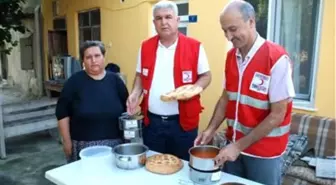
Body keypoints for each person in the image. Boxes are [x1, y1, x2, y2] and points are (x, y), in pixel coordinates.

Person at [194, 1, 295, 185]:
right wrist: (210, 129)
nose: (228, 36)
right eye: (224, 31)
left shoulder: (277, 58)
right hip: (233, 148)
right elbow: (226, 99)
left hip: (264, 155)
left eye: (233, 29)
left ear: (251, 22)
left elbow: (278, 115)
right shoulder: (231, 56)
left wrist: (238, 146)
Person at [126, 0, 211, 161]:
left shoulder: (195, 46)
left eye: (168, 17)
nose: (164, 22)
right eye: (158, 18)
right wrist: (135, 93)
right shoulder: (145, 47)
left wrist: (193, 89)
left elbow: (206, 76)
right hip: (152, 124)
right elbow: (139, 76)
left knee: (183, 166)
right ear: (154, 22)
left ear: (177, 20)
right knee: (154, 164)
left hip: (183, 124)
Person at [55, 40, 128, 163]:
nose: (93, 60)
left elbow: (127, 111)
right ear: (83, 60)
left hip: (114, 144)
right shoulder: (74, 82)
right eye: (88, 57)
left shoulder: (115, 81)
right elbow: (62, 113)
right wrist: (66, 141)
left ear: (103, 57)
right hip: (83, 146)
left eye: (97, 56)